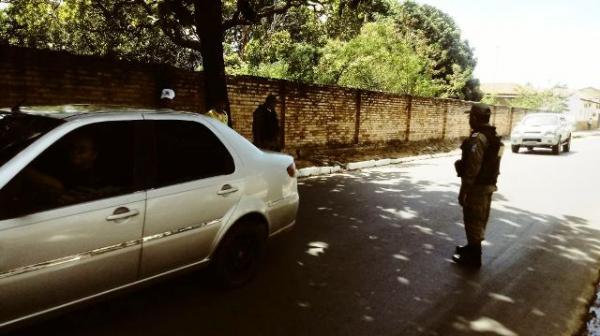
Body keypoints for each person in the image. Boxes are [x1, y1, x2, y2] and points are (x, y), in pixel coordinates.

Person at [452, 103, 504, 268]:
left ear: (474, 118)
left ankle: (474, 258)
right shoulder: (493, 137)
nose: (469, 120)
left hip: (477, 187)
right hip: (488, 185)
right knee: (479, 219)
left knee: (473, 220)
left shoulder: (478, 138)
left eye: (470, 117)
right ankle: (471, 248)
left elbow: (473, 168)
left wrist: (463, 191)